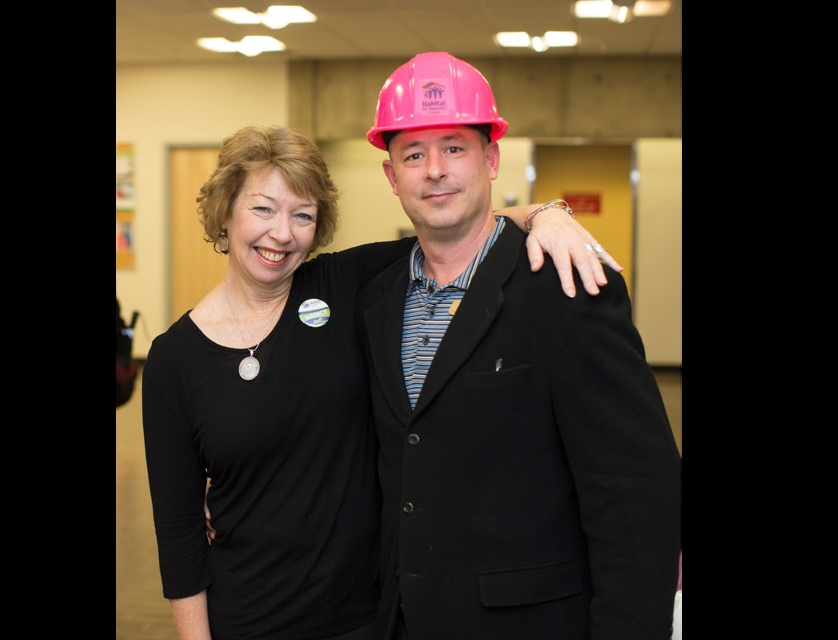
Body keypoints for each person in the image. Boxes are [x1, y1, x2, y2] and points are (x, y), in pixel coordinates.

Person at [141, 124, 620, 640]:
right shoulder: (174, 360)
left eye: (303, 215)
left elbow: (457, 227)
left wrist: (548, 214)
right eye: (262, 209)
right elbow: (179, 533)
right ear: (225, 211)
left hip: (373, 616)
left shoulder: (343, 286)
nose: (282, 233)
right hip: (251, 619)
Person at [356, 52, 681, 639]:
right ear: (391, 176)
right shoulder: (376, 297)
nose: (435, 170)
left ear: (492, 157)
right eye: (413, 154)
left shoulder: (569, 288)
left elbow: (636, 501)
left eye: (454, 147)